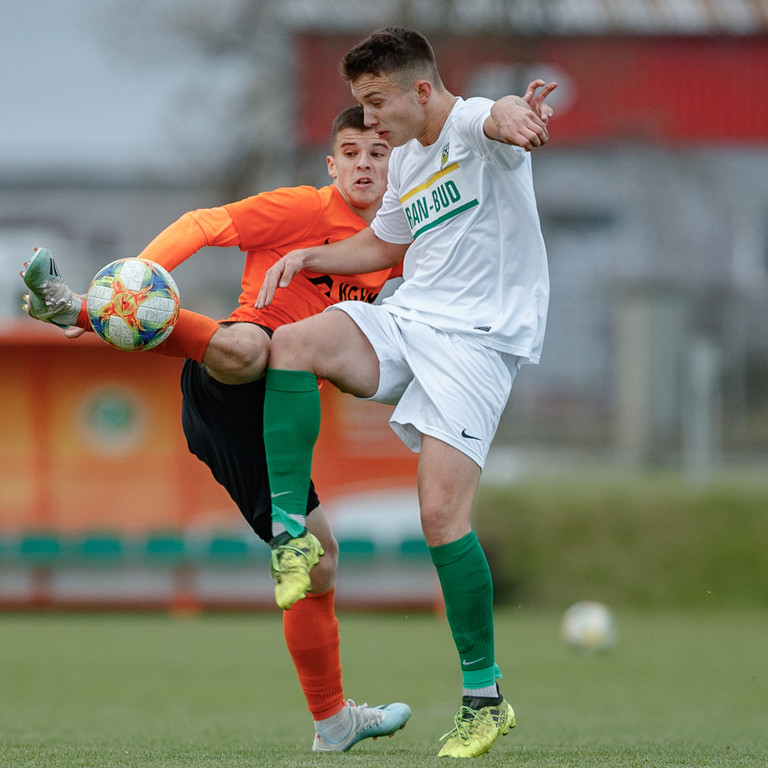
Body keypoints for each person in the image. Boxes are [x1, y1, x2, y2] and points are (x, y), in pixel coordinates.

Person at [19, 105, 411, 753]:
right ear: (332, 163)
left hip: (272, 428)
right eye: (353, 152)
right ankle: (88, 306)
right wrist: (128, 282)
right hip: (228, 385)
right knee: (256, 347)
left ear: (398, 161)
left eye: (379, 152)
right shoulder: (303, 209)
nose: (366, 164)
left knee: (320, 562)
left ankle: (333, 722)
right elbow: (202, 223)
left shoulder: (395, 246)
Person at [254, 28, 556, 759]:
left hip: (479, 344)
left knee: (440, 518)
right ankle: (293, 537)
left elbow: (497, 116)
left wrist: (516, 114)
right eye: (359, 104)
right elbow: (386, 246)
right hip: (409, 318)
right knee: (292, 343)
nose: (369, 120)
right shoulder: (411, 160)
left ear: (420, 90)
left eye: (377, 101)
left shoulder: (470, 126)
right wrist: (308, 255)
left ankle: (484, 700)